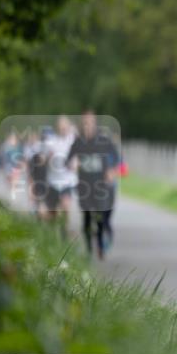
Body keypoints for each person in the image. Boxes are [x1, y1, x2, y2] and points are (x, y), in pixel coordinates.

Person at [68, 110, 120, 259]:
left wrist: (111, 170)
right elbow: (68, 159)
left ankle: (100, 245)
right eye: (85, 123)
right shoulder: (78, 142)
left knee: (100, 217)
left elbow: (117, 157)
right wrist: (72, 162)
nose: (87, 126)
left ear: (95, 124)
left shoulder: (103, 140)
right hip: (84, 185)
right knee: (86, 218)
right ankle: (88, 249)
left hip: (100, 185)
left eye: (90, 123)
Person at [43, 115, 78, 236]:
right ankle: (50, 233)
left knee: (65, 206)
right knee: (52, 214)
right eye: (60, 127)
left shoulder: (73, 140)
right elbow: (43, 160)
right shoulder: (50, 142)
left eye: (65, 126)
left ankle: (65, 231)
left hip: (67, 181)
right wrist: (48, 158)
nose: (63, 129)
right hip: (53, 181)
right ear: (57, 128)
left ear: (68, 127)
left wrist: (75, 163)